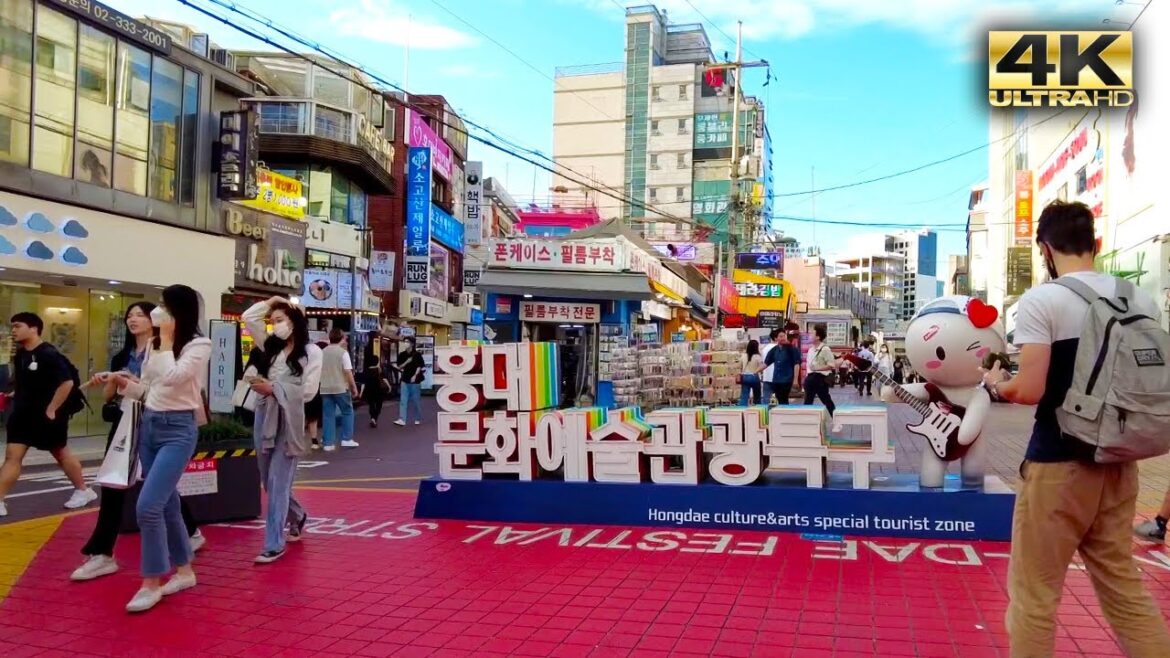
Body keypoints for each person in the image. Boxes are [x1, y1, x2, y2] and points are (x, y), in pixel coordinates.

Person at [980, 201, 1169, 657]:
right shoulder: (1137, 297)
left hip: (1058, 466)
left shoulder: (1043, 300)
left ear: (1045, 248)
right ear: (1096, 244)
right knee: (1124, 590)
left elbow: (1029, 389)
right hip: (1119, 463)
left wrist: (996, 383)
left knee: (1034, 598)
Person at [71, 303, 205, 581]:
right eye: (129, 315)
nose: (134, 320)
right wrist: (115, 381)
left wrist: (138, 378)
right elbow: (115, 396)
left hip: (162, 421)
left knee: (156, 496)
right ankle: (103, 553)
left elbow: (169, 382)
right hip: (126, 423)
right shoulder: (124, 353)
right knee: (115, 485)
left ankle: (167, 565)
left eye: (140, 315)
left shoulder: (177, 348)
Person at [110, 285, 210, 613]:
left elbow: (173, 378)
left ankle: (150, 582)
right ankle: (184, 571)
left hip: (179, 430)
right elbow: (151, 389)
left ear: (178, 310)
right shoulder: (155, 345)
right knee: (166, 504)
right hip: (150, 425)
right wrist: (124, 384)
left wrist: (165, 340)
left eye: (164, 306)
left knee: (147, 507)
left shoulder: (199, 345)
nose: (156, 312)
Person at [242, 297, 322, 564]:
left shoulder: (312, 352)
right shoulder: (270, 347)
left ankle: (273, 543)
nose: (275, 325)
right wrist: (271, 301)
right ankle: (297, 515)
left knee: (278, 481)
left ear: (295, 321)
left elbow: (309, 392)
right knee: (268, 479)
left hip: (290, 418)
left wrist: (274, 388)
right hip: (264, 415)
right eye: (273, 321)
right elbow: (249, 318)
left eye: (280, 320)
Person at [0, 313, 96, 518]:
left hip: (49, 415)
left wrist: (52, 409)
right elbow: (26, 382)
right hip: (23, 414)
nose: (14, 330)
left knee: (60, 453)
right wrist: (14, 394)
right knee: (12, 456)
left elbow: (67, 383)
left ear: (34, 328)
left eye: (18, 326)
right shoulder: (20, 355)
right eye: (13, 327)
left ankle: (83, 490)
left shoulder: (49, 354)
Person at [319, 329, 359, 450]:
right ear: (341, 338)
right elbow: (348, 372)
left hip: (325, 387)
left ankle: (328, 443)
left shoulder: (322, 352)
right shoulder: (343, 353)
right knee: (347, 412)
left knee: (328, 415)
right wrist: (354, 387)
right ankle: (347, 439)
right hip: (340, 387)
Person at [802, 325, 837, 416]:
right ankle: (807, 421)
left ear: (818, 337)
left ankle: (837, 420)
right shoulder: (811, 349)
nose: (810, 336)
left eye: (812, 334)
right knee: (807, 401)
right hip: (810, 378)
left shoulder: (825, 349)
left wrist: (818, 368)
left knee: (826, 400)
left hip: (820, 378)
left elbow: (831, 365)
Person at [393, 337, 426, 426]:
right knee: (403, 400)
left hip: (415, 381)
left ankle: (417, 418)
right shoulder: (402, 355)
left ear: (412, 344)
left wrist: (415, 375)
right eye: (404, 342)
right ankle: (402, 419)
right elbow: (399, 367)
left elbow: (420, 366)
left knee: (416, 400)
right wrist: (407, 362)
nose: (405, 343)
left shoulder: (417, 354)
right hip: (405, 379)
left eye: (407, 342)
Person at [763, 329, 800, 405]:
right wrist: (755, 372)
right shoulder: (774, 350)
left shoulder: (792, 349)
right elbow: (766, 363)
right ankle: (781, 414)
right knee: (779, 399)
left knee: (784, 399)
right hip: (776, 380)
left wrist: (795, 380)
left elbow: (796, 364)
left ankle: (784, 414)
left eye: (784, 336)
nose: (783, 338)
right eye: (780, 336)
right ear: (776, 338)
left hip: (787, 380)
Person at [362, 342, 389, 428]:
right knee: (378, 404)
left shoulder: (366, 371)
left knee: (371, 404)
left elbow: (364, 382)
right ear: (377, 361)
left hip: (369, 389)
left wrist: (360, 393)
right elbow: (384, 379)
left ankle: (372, 417)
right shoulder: (379, 370)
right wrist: (389, 386)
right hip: (379, 390)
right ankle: (375, 418)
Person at [738, 340, 764, 406]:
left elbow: (739, 366)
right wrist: (757, 371)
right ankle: (757, 409)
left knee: (744, 396)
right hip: (754, 376)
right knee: (757, 395)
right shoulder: (758, 356)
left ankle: (742, 410)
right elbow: (762, 366)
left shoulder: (743, 355)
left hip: (745, 377)